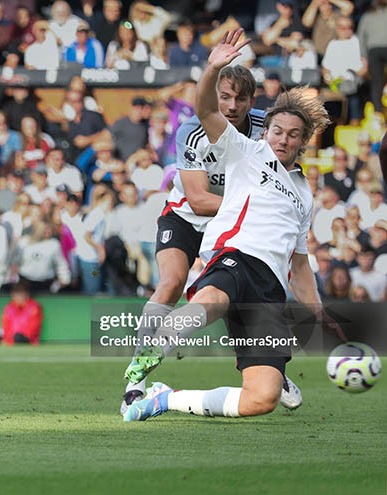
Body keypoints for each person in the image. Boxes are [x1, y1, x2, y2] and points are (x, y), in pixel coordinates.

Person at [124, 29, 341, 422]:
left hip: (270, 290)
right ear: (267, 131)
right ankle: (142, 366)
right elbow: (206, 111)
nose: (282, 139)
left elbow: (300, 264)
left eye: (293, 135)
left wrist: (318, 312)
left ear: (303, 141)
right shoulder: (247, 150)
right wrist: (213, 67)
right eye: (277, 131)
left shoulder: (304, 193)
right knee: (202, 303)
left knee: (262, 400)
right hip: (234, 259)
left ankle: (163, 399)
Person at [0, 280, 43, 345]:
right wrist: (9, 339)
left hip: (27, 340)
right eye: (16, 292)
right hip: (11, 339)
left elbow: (33, 329)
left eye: (21, 292)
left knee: (18, 338)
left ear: (27, 293)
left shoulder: (34, 307)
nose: (18, 295)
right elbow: (5, 327)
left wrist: (17, 337)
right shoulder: (9, 307)